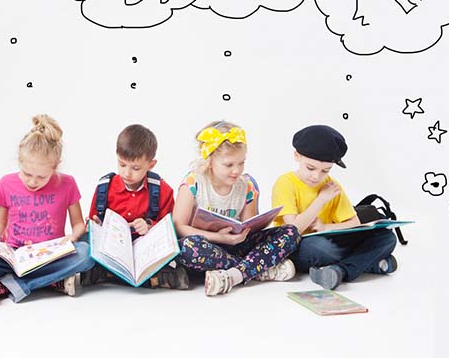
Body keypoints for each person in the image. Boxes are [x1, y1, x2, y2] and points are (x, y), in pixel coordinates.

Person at [0, 114, 94, 305]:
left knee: (87, 253)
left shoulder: (67, 184)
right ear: (19, 162)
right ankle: (52, 281)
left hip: (51, 255)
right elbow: (0, 222)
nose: (32, 181)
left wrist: (73, 237)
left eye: (41, 177)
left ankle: (7, 286)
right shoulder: (6, 183)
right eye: (27, 173)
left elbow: (78, 224)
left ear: (55, 167)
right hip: (14, 255)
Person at [172, 121, 300, 296]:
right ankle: (257, 269)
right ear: (210, 161)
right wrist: (220, 237)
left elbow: (250, 228)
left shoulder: (246, 185)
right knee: (186, 248)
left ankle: (235, 274)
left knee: (291, 232)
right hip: (207, 248)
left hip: (236, 244)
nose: (236, 170)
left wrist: (244, 232)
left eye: (241, 163)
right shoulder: (194, 183)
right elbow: (179, 227)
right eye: (229, 165)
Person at [271, 124, 398, 290]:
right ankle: (368, 264)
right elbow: (292, 229)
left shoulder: (331, 185)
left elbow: (354, 223)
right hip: (297, 246)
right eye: (310, 168)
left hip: (329, 240)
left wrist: (325, 227)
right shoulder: (285, 183)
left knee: (387, 237)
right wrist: (321, 199)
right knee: (318, 248)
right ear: (297, 156)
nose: (316, 176)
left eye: (325, 170)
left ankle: (340, 271)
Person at [81, 123, 189, 289]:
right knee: (84, 244)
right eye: (122, 164)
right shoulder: (104, 188)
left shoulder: (162, 190)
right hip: (114, 252)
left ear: (151, 164)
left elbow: (169, 232)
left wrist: (149, 226)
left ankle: (106, 276)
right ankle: (158, 279)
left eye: (136, 168)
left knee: (177, 249)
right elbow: (94, 223)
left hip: (145, 253)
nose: (127, 173)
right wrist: (96, 225)